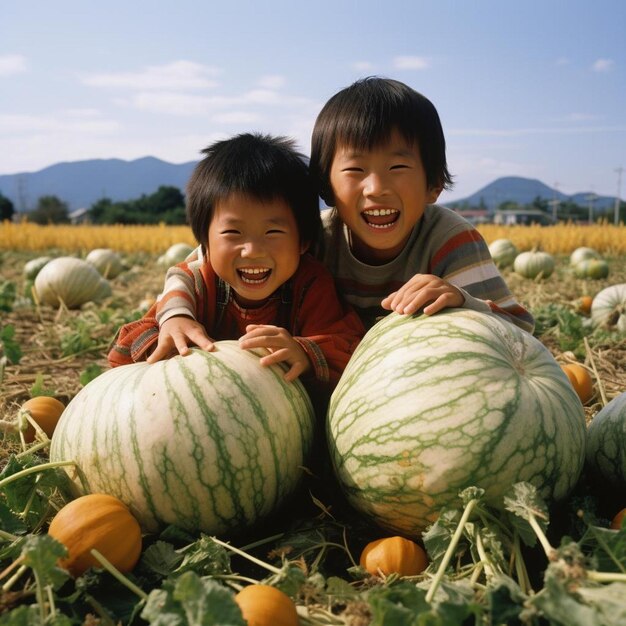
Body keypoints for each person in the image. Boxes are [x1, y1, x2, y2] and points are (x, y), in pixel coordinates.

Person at [107, 133, 365, 394]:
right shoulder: (193, 285)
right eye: (233, 233)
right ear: (204, 243)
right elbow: (123, 350)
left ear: (303, 241)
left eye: (273, 233)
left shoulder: (311, 285)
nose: (252, 251)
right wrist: (170, 328)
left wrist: (305, 355)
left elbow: (348, 351)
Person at [309, 77, 534, 333]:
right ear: (326, 187)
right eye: (355, 169)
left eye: (398, 167)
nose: (376, 188)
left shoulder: (451, 240)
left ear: (434, 184)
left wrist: (464, 304)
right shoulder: (315, 240)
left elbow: (519, 331)